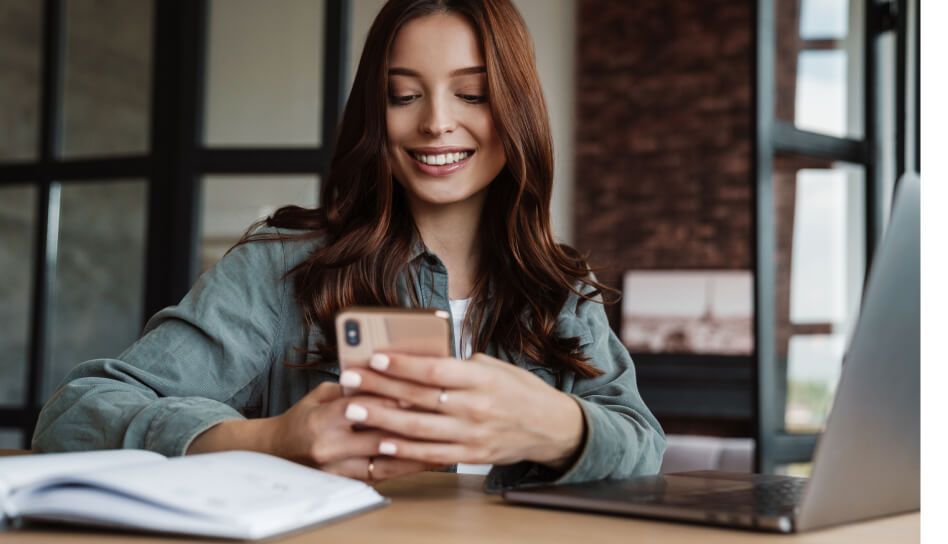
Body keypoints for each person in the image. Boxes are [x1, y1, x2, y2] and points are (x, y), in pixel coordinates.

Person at [32, 0, 665, 491]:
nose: (436, 122)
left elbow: (642, 444)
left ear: (517, 109)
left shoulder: (558, 284)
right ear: (373, 112)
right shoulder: (282, 266)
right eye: (403, 95)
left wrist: (558, 427)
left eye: (471, 94)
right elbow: (75, 417)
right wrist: (270, 439)